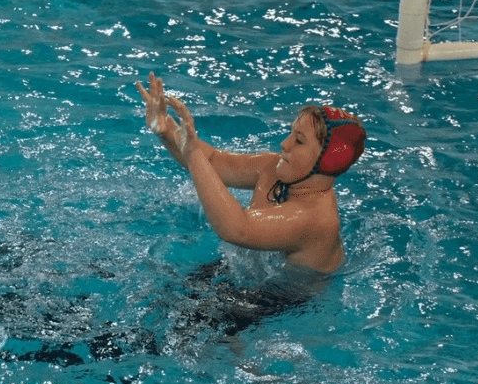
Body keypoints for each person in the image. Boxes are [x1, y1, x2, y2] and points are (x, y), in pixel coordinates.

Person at [137, 72, 364, 276]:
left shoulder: (315, 220)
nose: (285, 144)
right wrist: (167, 128)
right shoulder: (273, 167)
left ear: (326, 161)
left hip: (281, 300)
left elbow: (237, 229)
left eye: (299, 140)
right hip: (248, 276)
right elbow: (214, 161)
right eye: (290, 133)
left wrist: (193, 153)